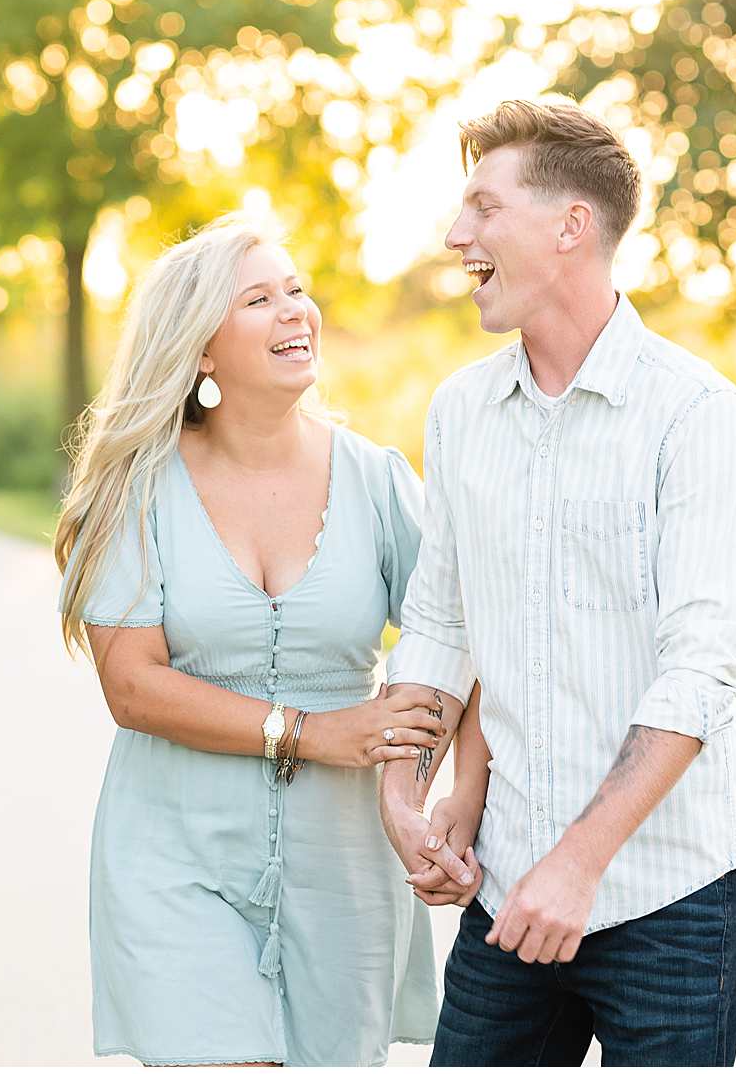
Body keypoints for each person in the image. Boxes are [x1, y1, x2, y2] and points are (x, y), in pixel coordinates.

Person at [378, 98, 736, 1066]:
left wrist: (577, 865)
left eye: (484, 207)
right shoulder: (462, 410)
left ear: (570, 226)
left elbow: (698, 675)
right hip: (508, 889)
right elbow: (440, 623)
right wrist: (406, 793)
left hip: (672, 902)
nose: (456, 235)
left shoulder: (696, 416)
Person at [54, 214, 466, 1066]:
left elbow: (451, 639)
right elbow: (132, 685)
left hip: (344, 862)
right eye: (257, 300)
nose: (294, 312)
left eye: (296, 290)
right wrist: (311, 732)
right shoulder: (137, 490)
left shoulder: (378, 480)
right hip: (174, 851)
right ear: (201, 349)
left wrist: (409, 794)